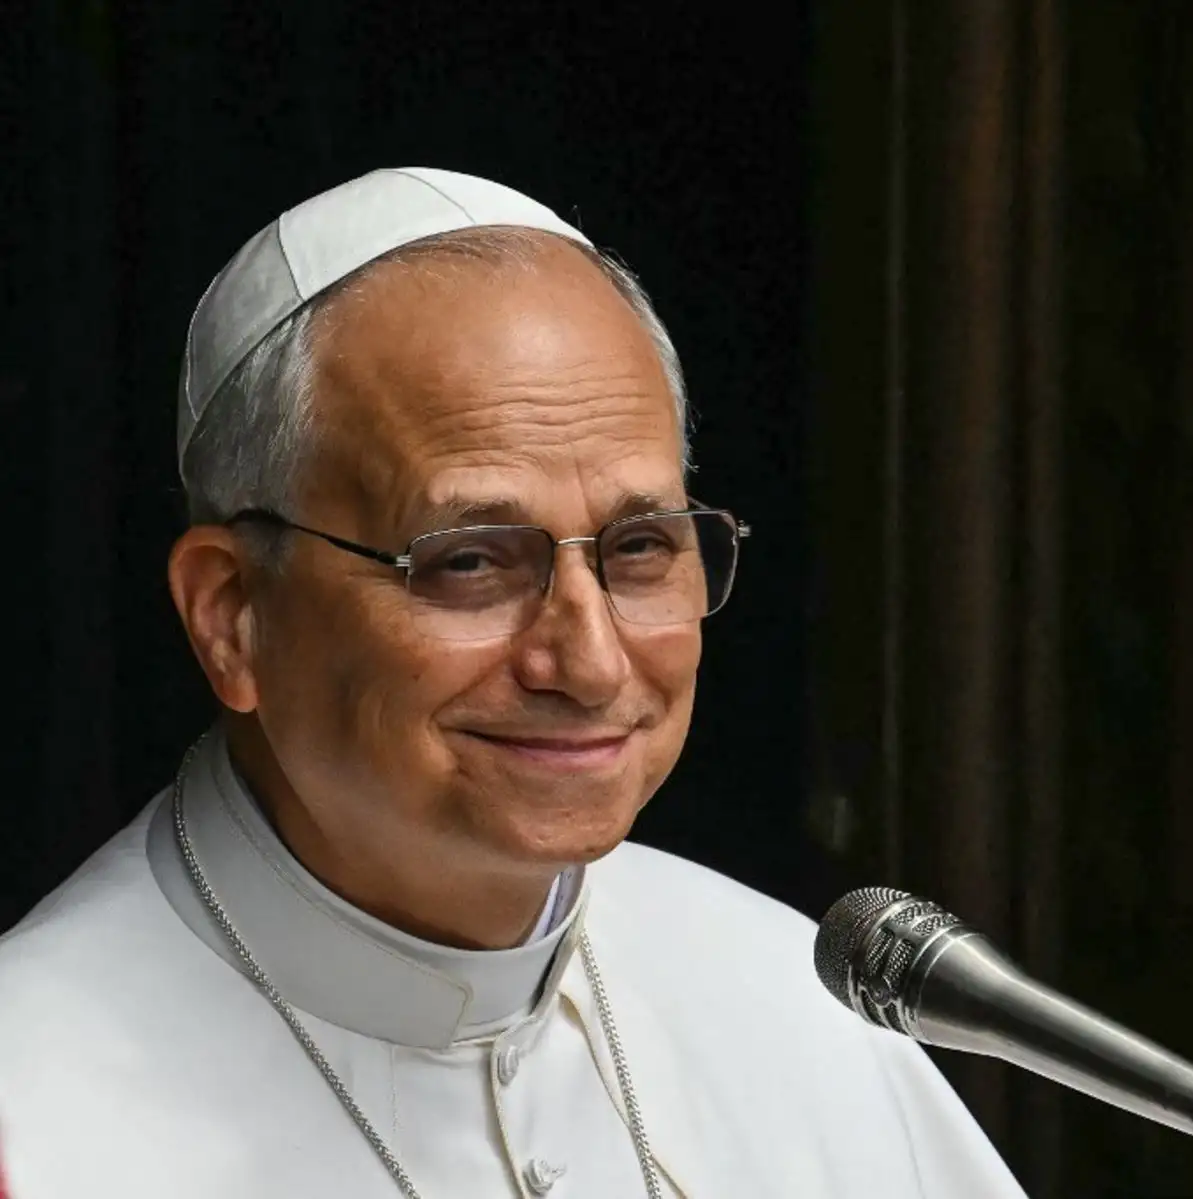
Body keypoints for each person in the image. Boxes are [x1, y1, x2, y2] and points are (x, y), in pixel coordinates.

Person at [0, 168, 1026, 1198]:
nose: (587, 663)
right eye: (470, 560)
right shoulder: (35, 1112)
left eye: (636, 547)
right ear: (232, 614)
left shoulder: (799, 1008)